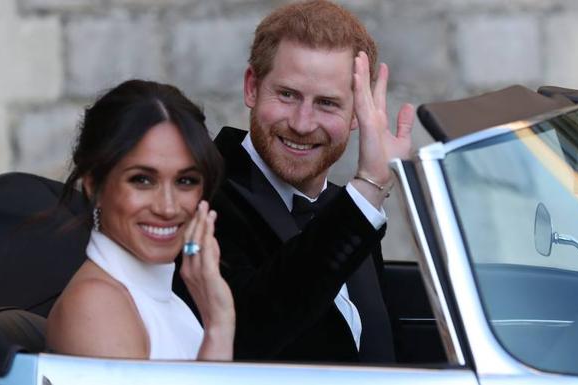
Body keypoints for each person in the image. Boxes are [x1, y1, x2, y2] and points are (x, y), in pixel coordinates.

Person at [173, 0, 415, 363]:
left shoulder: (345, 208)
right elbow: (248, 336)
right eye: (287, 95)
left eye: (328, 103)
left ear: (356, 115)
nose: (302, 123)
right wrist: (368, 189)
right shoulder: (198, 194)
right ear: (252, 87)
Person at [46, 80, 235, 360]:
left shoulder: (165, 300)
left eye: (185, 181)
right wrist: (219, 328)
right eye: (142, 180)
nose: (168, 207)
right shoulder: (97, 306)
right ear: (93, 184)